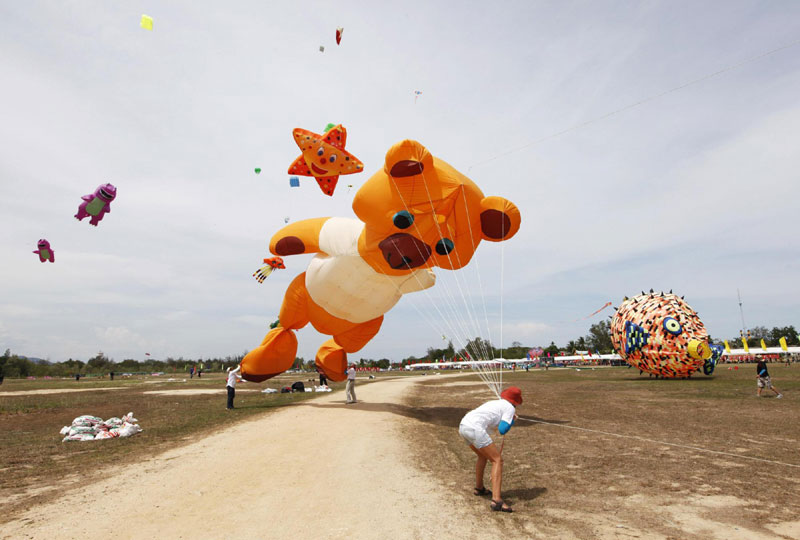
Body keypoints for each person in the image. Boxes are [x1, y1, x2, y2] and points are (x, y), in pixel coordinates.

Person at [458, 387, 522, 513]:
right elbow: (502, 429)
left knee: (483, 456)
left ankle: (479, 488)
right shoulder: (510, 408)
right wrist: (512, 421)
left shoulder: (495, 402)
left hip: (463, 426)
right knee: (497, 460)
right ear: (516, 401)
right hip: (475, 428)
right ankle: (497, 501)